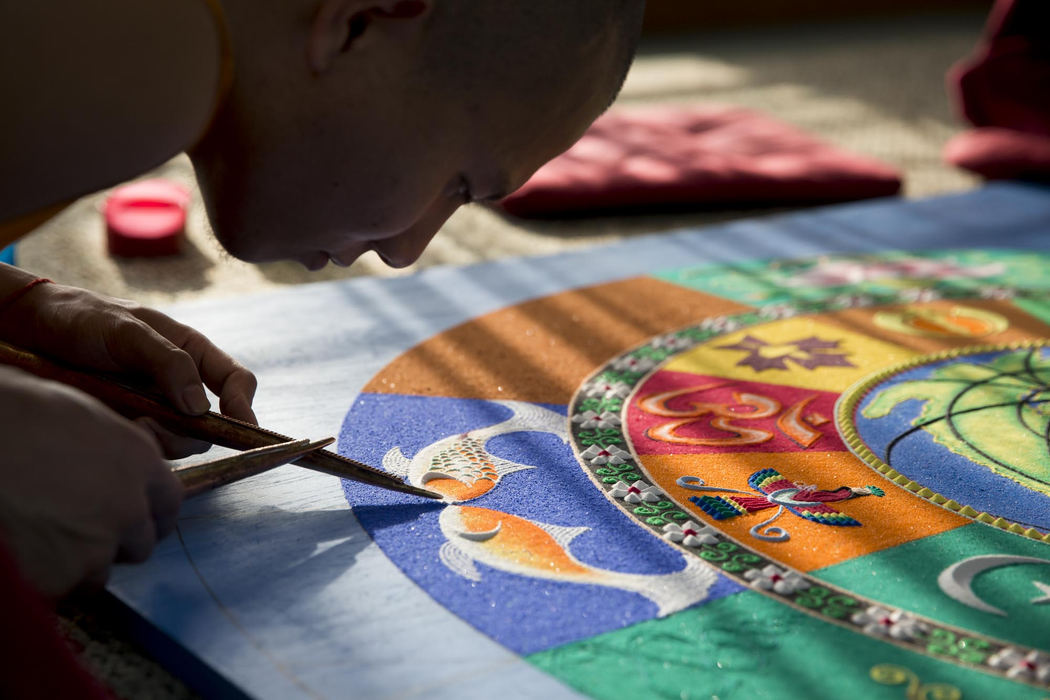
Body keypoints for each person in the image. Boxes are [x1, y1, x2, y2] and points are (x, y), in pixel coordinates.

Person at [0, 0, 644, 599]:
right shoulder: (135, 60)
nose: (407, 251)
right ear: (357, 21)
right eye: (460, 184)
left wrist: (22, 311)